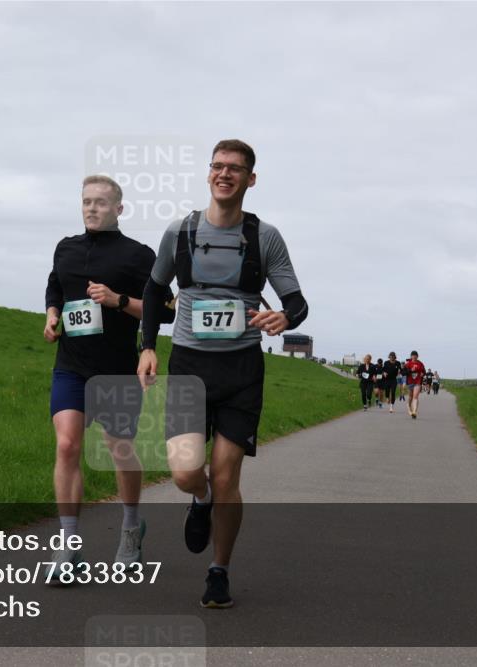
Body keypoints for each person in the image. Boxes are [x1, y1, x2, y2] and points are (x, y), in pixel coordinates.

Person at [136, 139, 308, 608]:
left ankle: (219, 570)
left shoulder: (264, 237)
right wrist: (147, 346)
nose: (224, 174)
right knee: (186, 472)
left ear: (251, 179)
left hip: (241, 370)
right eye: (217, 166)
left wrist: (284, 319)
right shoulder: (181, 231)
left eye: (235, 168)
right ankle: (200, 498)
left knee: (228, 475)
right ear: (209, 174)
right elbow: (154, 291)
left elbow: (296, 300)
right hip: (190, 365)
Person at [44, 174, 173, 581]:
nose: (91, 208)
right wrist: (51, 317)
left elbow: (165, 311)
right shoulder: (66, 248)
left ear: (119, 208)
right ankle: (68, 548)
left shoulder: (138, 255)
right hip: (71, 365)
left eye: (100, 202)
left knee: (119, 449)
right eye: (86, 201)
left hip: (117, 369)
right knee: (67, 446)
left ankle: (131, 529)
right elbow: (54, 288)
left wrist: (118, 301)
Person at [403, 350, 426, 419]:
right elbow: (404, 373)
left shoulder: (420, 363)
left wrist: (423, 374)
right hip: (410, 382)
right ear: (411, 356)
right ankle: (409, 409)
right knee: (410, 397)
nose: (414, 357)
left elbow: (424, 371)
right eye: (413, 355)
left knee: (415, 397)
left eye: (415, 355)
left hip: (417, 382)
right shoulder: (408, 364)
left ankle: (414, 412)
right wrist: (410, 370)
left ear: (417, 356)